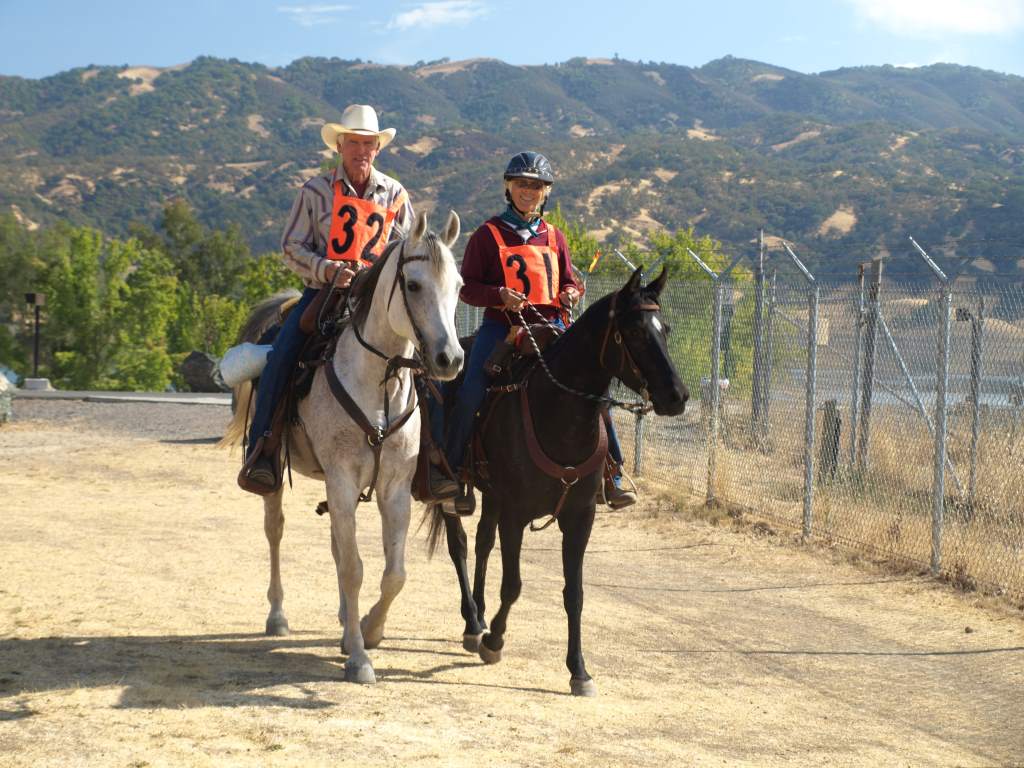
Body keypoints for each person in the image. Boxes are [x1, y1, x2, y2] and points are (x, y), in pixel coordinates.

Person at [429, 151, 636, 512]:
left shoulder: (555, 236)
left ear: (545, 193)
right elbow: (467, 288)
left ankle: (612, 473)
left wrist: (571, 292)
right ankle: (454, 471)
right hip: (503, 328)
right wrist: (498, 295)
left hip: (555, 326)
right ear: (508, 187)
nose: (529, 191)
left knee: (596, 392)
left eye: (536, 186)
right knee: (472, 391)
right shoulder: (487, 234)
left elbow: (568, 279)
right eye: (522, 184)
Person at [239, 104, 414, 494]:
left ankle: (431, 459)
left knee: (424, 361)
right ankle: (262, 448)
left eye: (368, 144)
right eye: (353, 143)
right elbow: (292, 245)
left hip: (377, 301)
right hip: (324, 293)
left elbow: (408, 250)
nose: (361, 151)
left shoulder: (396, 195)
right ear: (339, 146)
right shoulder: (315, 191)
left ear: (377, 148)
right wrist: (327, 269)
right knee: (282, 355)